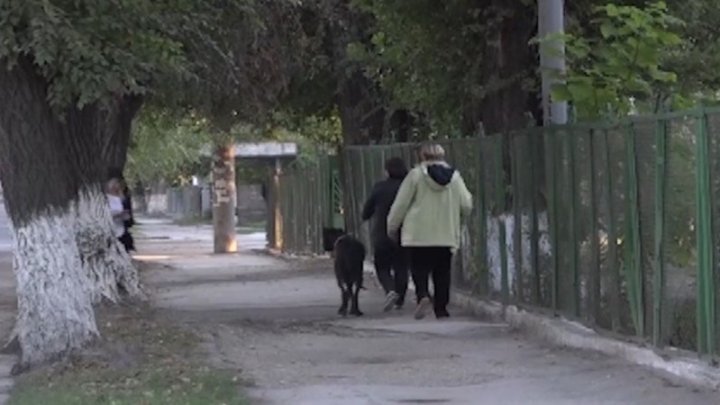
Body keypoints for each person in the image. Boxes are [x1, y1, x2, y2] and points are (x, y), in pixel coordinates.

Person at [387, 143, 473, 320]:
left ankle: (423, 296)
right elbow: (466, 204)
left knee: (419, 269)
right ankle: (441, 309)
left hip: (417, 234)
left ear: (422, 157)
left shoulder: (415, 175)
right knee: (442, 272)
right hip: (446, 233)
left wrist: (392, 227)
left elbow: (400, 204)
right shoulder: (455, 178)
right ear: (443, 156)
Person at [361, 157, 409, 312]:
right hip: (405, 232)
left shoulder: (379, 187)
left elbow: (366, 211)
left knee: (382, 266)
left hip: (382, 234)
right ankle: (400, 300)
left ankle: (390, 290)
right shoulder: (408, 187)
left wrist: (368, 215)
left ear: (387, 171)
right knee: (402, 266)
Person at [106, 178, 128, 245]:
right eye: (115, 186)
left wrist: (125, 216)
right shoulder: (106, 198)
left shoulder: (120, 198)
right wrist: (118, 215)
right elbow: (105, 214)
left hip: (120, 229)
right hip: (110, 229)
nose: (117, 188)